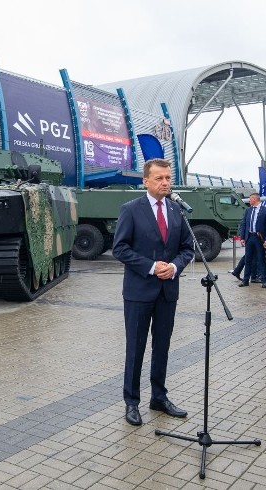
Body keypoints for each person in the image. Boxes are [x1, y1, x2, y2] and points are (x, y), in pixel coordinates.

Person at [112, 158, 195, 425]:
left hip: (167, 291)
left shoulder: (176, 210)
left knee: (162, 347)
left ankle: (158, 397)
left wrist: (173, 266)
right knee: (135, 348)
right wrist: (150, 266)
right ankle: (132, 402)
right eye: (159, 178)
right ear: (145, 181)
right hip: (138, 292)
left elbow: (187, 248)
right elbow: (120, 248)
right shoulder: (131, 209)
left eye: (168, 178)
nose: (165, 183)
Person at [238, 193, 266, 288]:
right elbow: (244, 224)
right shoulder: (248, 210)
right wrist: (242, 237)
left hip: (259, 238)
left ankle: (264, 280)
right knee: (248, 259)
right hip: (249, 237)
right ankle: (245, 280)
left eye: (250, 199)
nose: (249, 201)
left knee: (261, 259)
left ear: (255, 199)